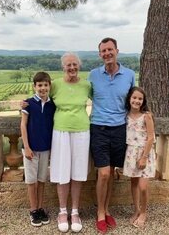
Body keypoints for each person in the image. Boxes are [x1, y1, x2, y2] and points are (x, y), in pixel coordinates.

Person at [88, 37, 135, 233]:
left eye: (110, 50)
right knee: (104, 172)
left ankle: (107, 210)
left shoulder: (129, 75)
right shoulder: (92, 75)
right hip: (98, 128)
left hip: (120, 128)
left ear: (117, 51)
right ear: (100, 54)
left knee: (113, 171)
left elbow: (133, 100)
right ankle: (100, 212)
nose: (107, 53)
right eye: (103, 51)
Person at [50, 52, 91, 233]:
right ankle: (62, 211)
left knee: (77, 172)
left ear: (79, 66)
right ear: (63, 67)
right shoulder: (55, 85)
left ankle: (74, 211)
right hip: (60, 132)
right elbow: (40, 98)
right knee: (61, 172)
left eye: (75, 64)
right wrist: (24, 105)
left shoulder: (87, 85)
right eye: (68, 65)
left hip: (82, 131)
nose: (72, 67)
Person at [20, 71, 56, 227]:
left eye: (45, 85)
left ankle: (41, 208)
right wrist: (27, 147)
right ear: (34, 86)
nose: (42, 88)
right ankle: (33, 209)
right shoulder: (28, 103)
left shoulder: (52, 105)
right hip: (31, 149)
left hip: (45, 149)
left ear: (49, 86)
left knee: (42, 180)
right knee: (31, 181)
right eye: (39, 85)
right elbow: (23, 125)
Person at [123, 86, 156, 228]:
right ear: (129, 98)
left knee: (143, 186)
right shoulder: (125, 115)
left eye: (140, 99)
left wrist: (143, 157)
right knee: (134, 183)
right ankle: (136, 209)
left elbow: (150, 137)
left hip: (144, 153)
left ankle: (143, 212)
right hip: (131, 153)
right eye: (134, 97)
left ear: (143, 101)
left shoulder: (146, 116)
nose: (136, 101)